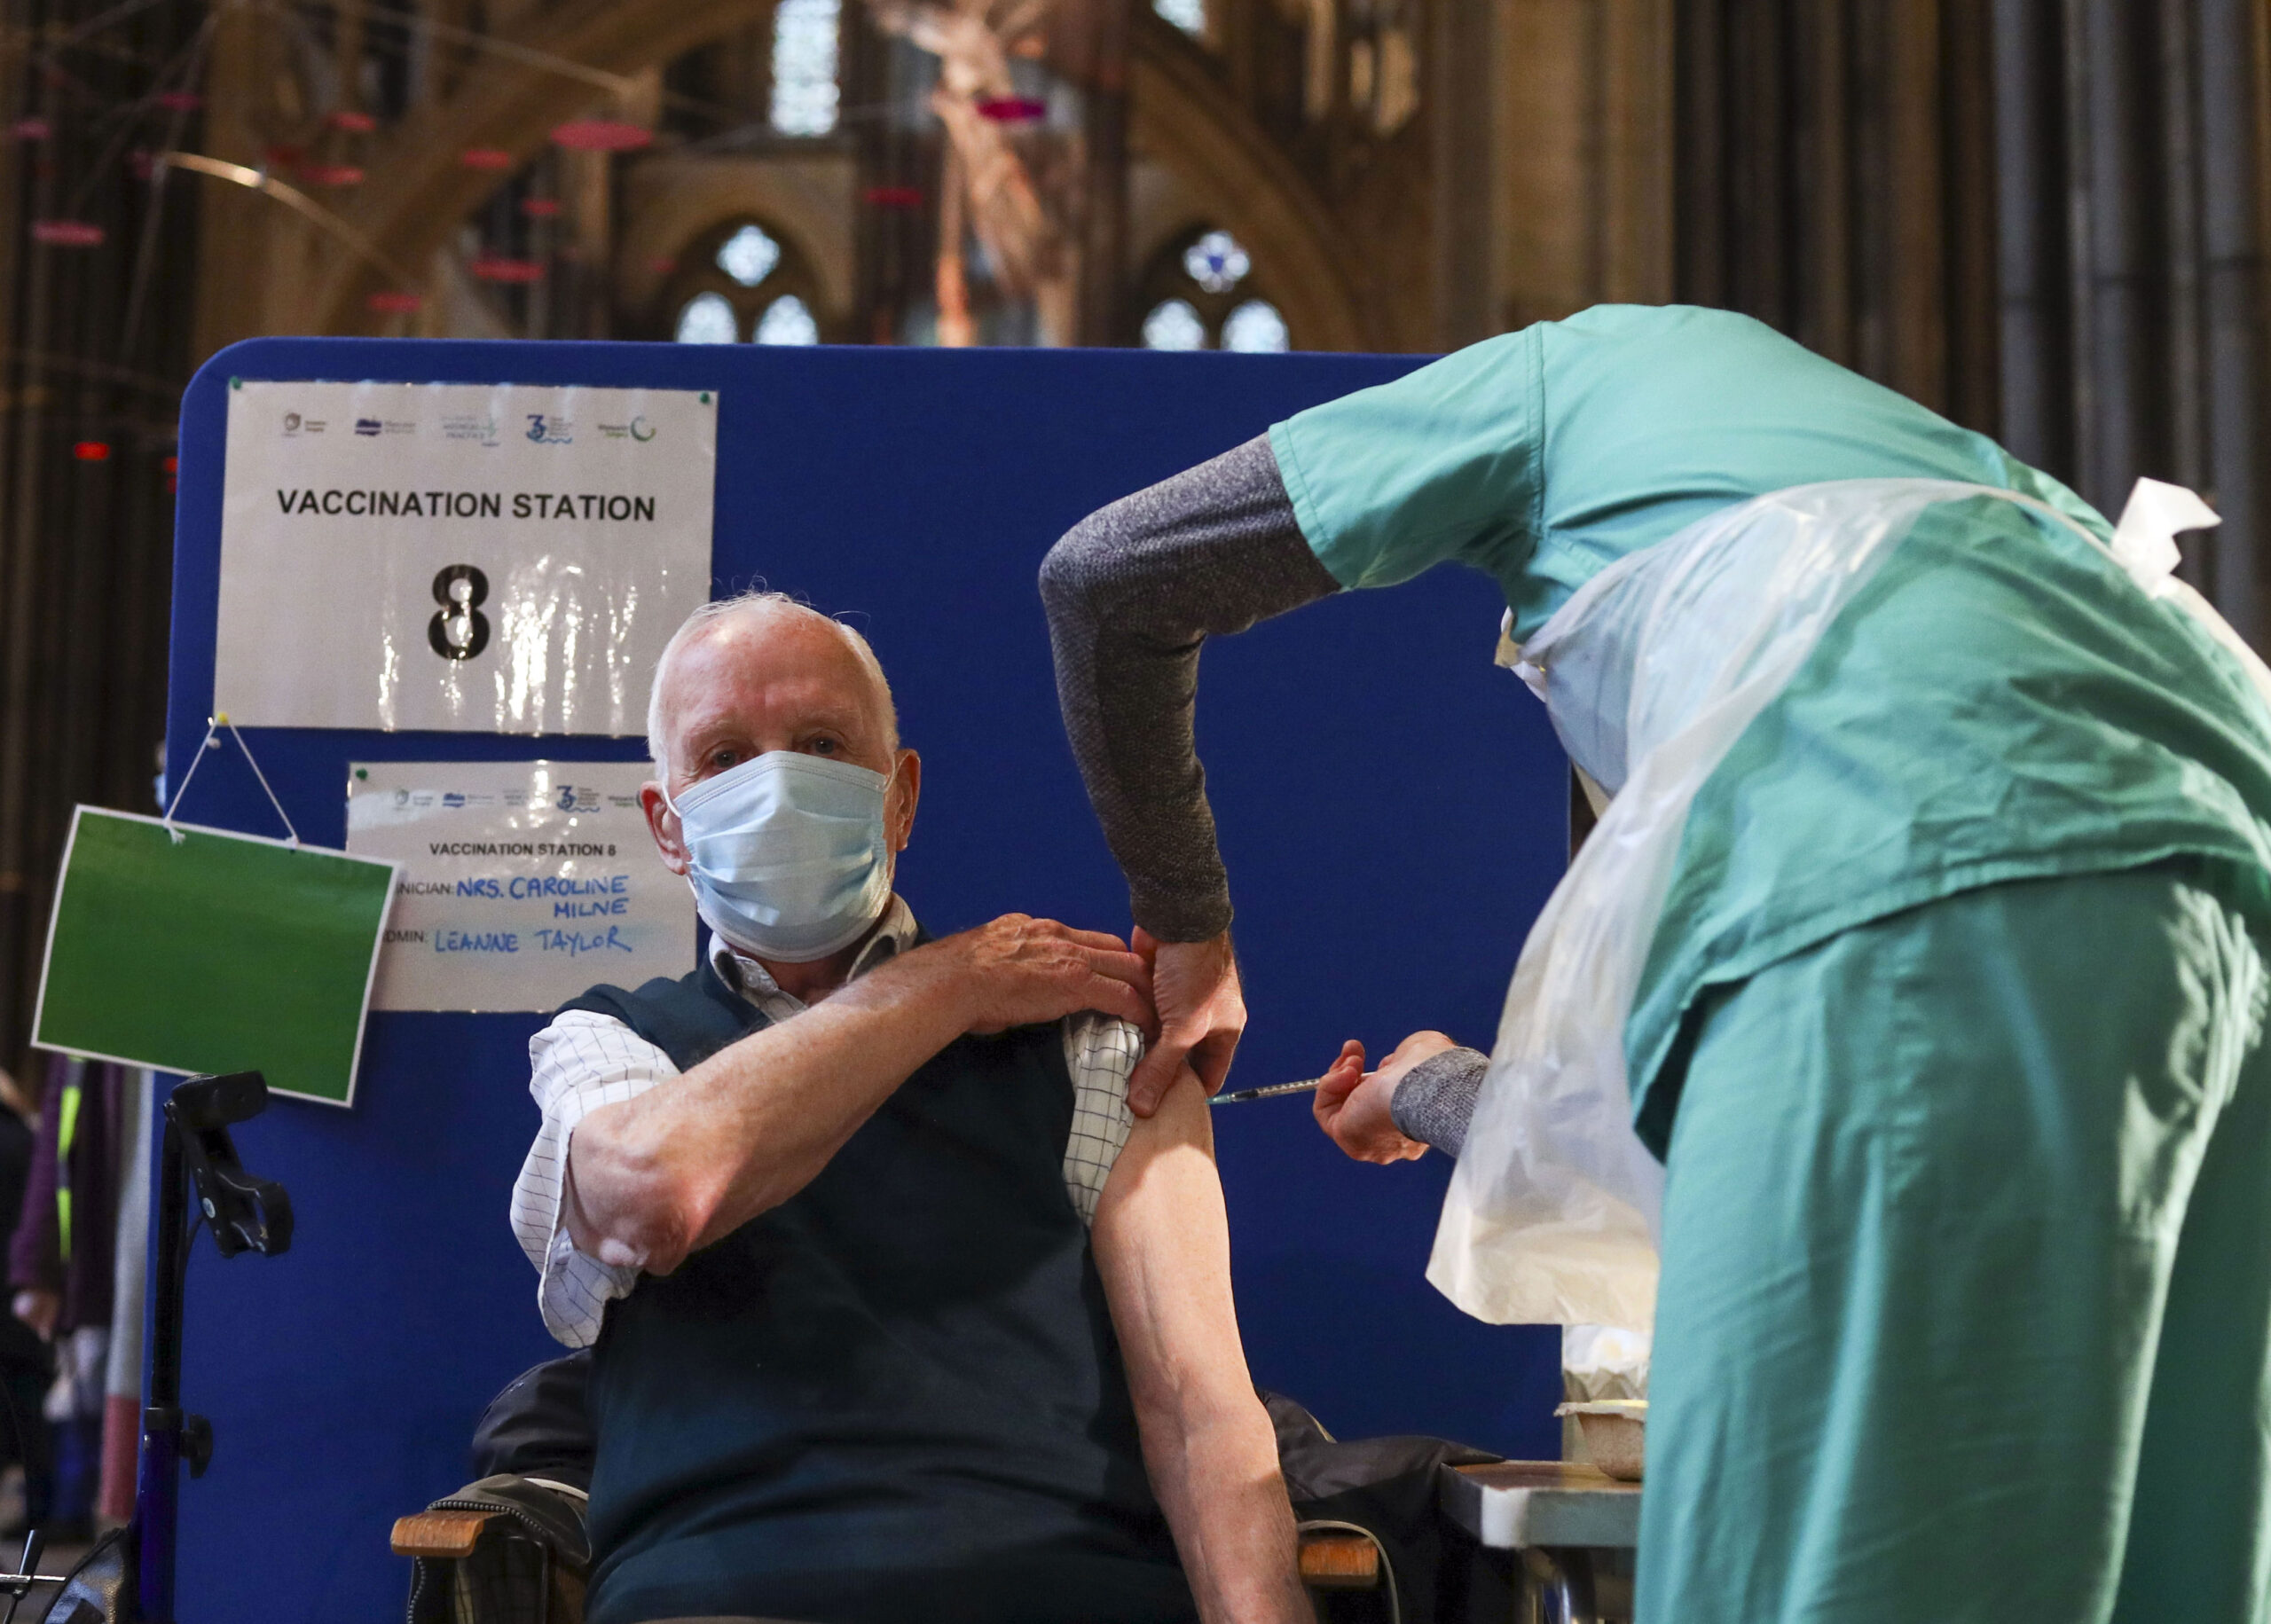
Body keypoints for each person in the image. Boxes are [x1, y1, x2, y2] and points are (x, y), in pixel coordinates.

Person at [1038, 303, 2271, 1623]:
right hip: (2238, 873)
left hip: (1928, 887)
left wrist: (1189, 923)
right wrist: (1434, 1087)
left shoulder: (1570, 387)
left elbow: (1107, 574)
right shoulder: (1926, 522)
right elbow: (1673, 1117)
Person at [507, 592, 1310, 1624]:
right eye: (721, 757)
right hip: (723, 1596)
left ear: (900, 798)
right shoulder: (611, 1045)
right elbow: (655, 1194)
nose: (777, 784)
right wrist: (945, 985)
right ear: (667, 826)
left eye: (822, 742)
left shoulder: (1085, 1038)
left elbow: (1204, 1415)